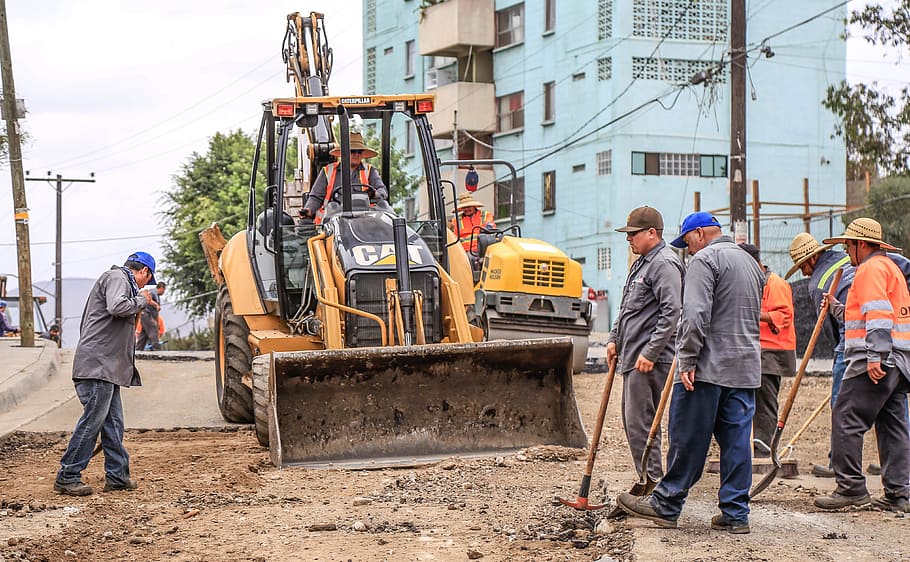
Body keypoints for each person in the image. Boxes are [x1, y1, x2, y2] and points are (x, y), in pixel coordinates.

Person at [617, 211, 764, 534]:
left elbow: (694, 316)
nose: (688, 249)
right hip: (745, 369)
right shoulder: (751, 264)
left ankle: (666, 504)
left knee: (687, 438)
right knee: (737, 442)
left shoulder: (705, 260)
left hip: (707, 369)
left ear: (698, 235)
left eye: (687, 243)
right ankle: (736, 513)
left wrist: (687, 360)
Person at [813, 219, 910, 512]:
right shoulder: (889, 268)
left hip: (878, 358)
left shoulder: (869, 269)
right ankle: (899, 493)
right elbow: (866, 316)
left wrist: (874, 356)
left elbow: (878, 315)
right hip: (898, 359)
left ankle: (851, 488)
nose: (845, 249)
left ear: (862, 245)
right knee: (892, 424)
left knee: (846, 417)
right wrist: (837, 309)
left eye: (848, 244)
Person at [54, 251, 157, 497]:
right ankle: (67, 475)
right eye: (147, 280)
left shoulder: (118, 280)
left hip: (106, 369)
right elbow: (118, 306)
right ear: (144, 271)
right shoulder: (117, 277)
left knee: (113, 424)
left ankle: (118, 476)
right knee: (92, 423)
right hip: (97, 367)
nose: (145, 286)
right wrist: (142, 300)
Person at [607, 206, 683, 483]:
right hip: (632, 355)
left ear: (652, 233)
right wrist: (614, 338)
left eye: (633, 234)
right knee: (632, 423)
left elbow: (672, 312)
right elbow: (627, 307)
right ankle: (647, 481)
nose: (629, 239)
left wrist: (651, 352)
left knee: (642, 425)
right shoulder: (641, 263)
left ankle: (653, 484)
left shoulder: (664, 263)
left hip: (650, 359)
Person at [740, 243, 796, 457]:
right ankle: (755, 444)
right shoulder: (755, 283)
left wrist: (750, 314)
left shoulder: (775, 284)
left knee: (764, 399)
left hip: (773, 350)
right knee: (753, 397)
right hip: (758, 348)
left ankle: (764, 448)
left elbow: (784, 316)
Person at [299, 132, 388, 224]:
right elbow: (316, 197)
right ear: (343, 153)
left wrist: (374, 194)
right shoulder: (328, 171)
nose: (356, 154)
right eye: (352, 151)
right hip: (333, 221)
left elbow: (383, 192)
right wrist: (308, 210)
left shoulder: (370, 170)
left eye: (359, 152)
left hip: (365, 222)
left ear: (362, 154)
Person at [451, 192, 496, 256]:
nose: (466, 209)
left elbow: (490, 226)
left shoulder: (485, 215)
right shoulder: (456, 220)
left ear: (474, 206)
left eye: (469, 206)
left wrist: (488, 228)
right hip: (465, 253)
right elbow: (453, 238)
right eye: (464, 207)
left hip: (485, 250)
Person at [136, 282, 166, 351]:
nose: (164, 292)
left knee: (143, 335)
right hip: (146, 314)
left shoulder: (157, 295)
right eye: (163, 290)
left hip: (150, 316)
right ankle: (156, 350)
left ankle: (138, 351)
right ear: (160, 288)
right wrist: (156, 305)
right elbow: (147, 299)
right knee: (154, 329)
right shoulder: (152, 292)